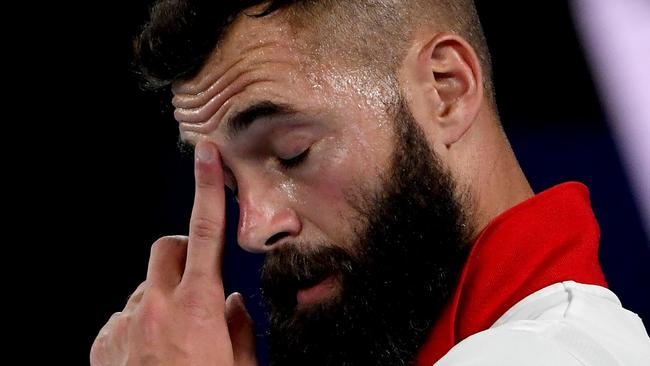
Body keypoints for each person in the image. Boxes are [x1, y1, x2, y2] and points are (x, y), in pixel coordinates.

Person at [90, 1, 650, 365]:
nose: (254, 229)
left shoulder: (558, 354)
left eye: (292, 153)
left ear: (445, 90)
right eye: (232, 188)